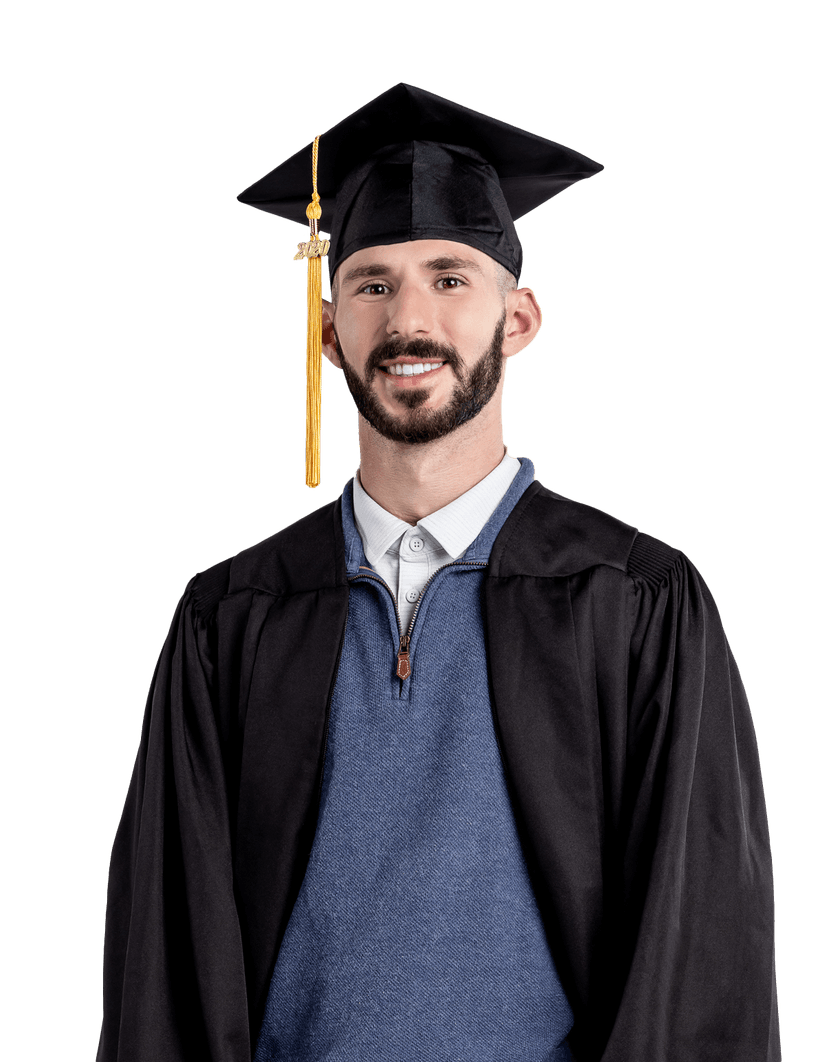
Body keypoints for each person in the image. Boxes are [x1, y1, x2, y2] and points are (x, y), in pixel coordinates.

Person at [95, 84, 781, 1062]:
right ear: (327, 330)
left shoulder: (632, 598)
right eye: (371, 283)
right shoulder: (234, 615)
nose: (408, 319)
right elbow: (166, 951)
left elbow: (698, 940)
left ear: (519, 320)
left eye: (450, 278)